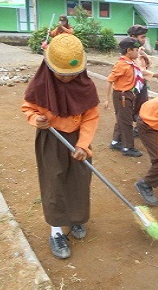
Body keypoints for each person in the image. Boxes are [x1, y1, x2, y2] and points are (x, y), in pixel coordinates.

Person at [21, 33, 100, 259]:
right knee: (54, 181)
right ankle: (56, 229)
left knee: (79, 180)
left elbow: (91, 117)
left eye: (73, 74)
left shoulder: (86, 86)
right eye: (62, 74)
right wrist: (37, 120)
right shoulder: (40, 85)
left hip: (78, 140)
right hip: (51, 139)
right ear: (48, 66)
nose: (67, 79)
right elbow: (28, 108)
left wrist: (83, 145)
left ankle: (76, 219)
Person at [104, 37, 143, 157]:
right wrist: (106, 99)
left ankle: (116, 141)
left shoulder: (129, 63)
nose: (138, 52)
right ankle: (127, 147)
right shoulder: (122, 65)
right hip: (122, 96)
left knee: (122, 118)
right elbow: (110, 80)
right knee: (126, 122)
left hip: (127, 94)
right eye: (136, 50)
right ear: (129, 50)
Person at [127, 25, 158, 137]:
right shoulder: (131, 52)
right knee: (132, 106)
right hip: (133, 84)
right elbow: (139, 70)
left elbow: (145, 66)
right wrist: (155, 75)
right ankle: (125, 131)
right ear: (133, 37)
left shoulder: (140, 51)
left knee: (142, 104)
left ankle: (137, 128)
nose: (144, 40)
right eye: (142, 37)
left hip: (142, 84)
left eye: (145, 37)